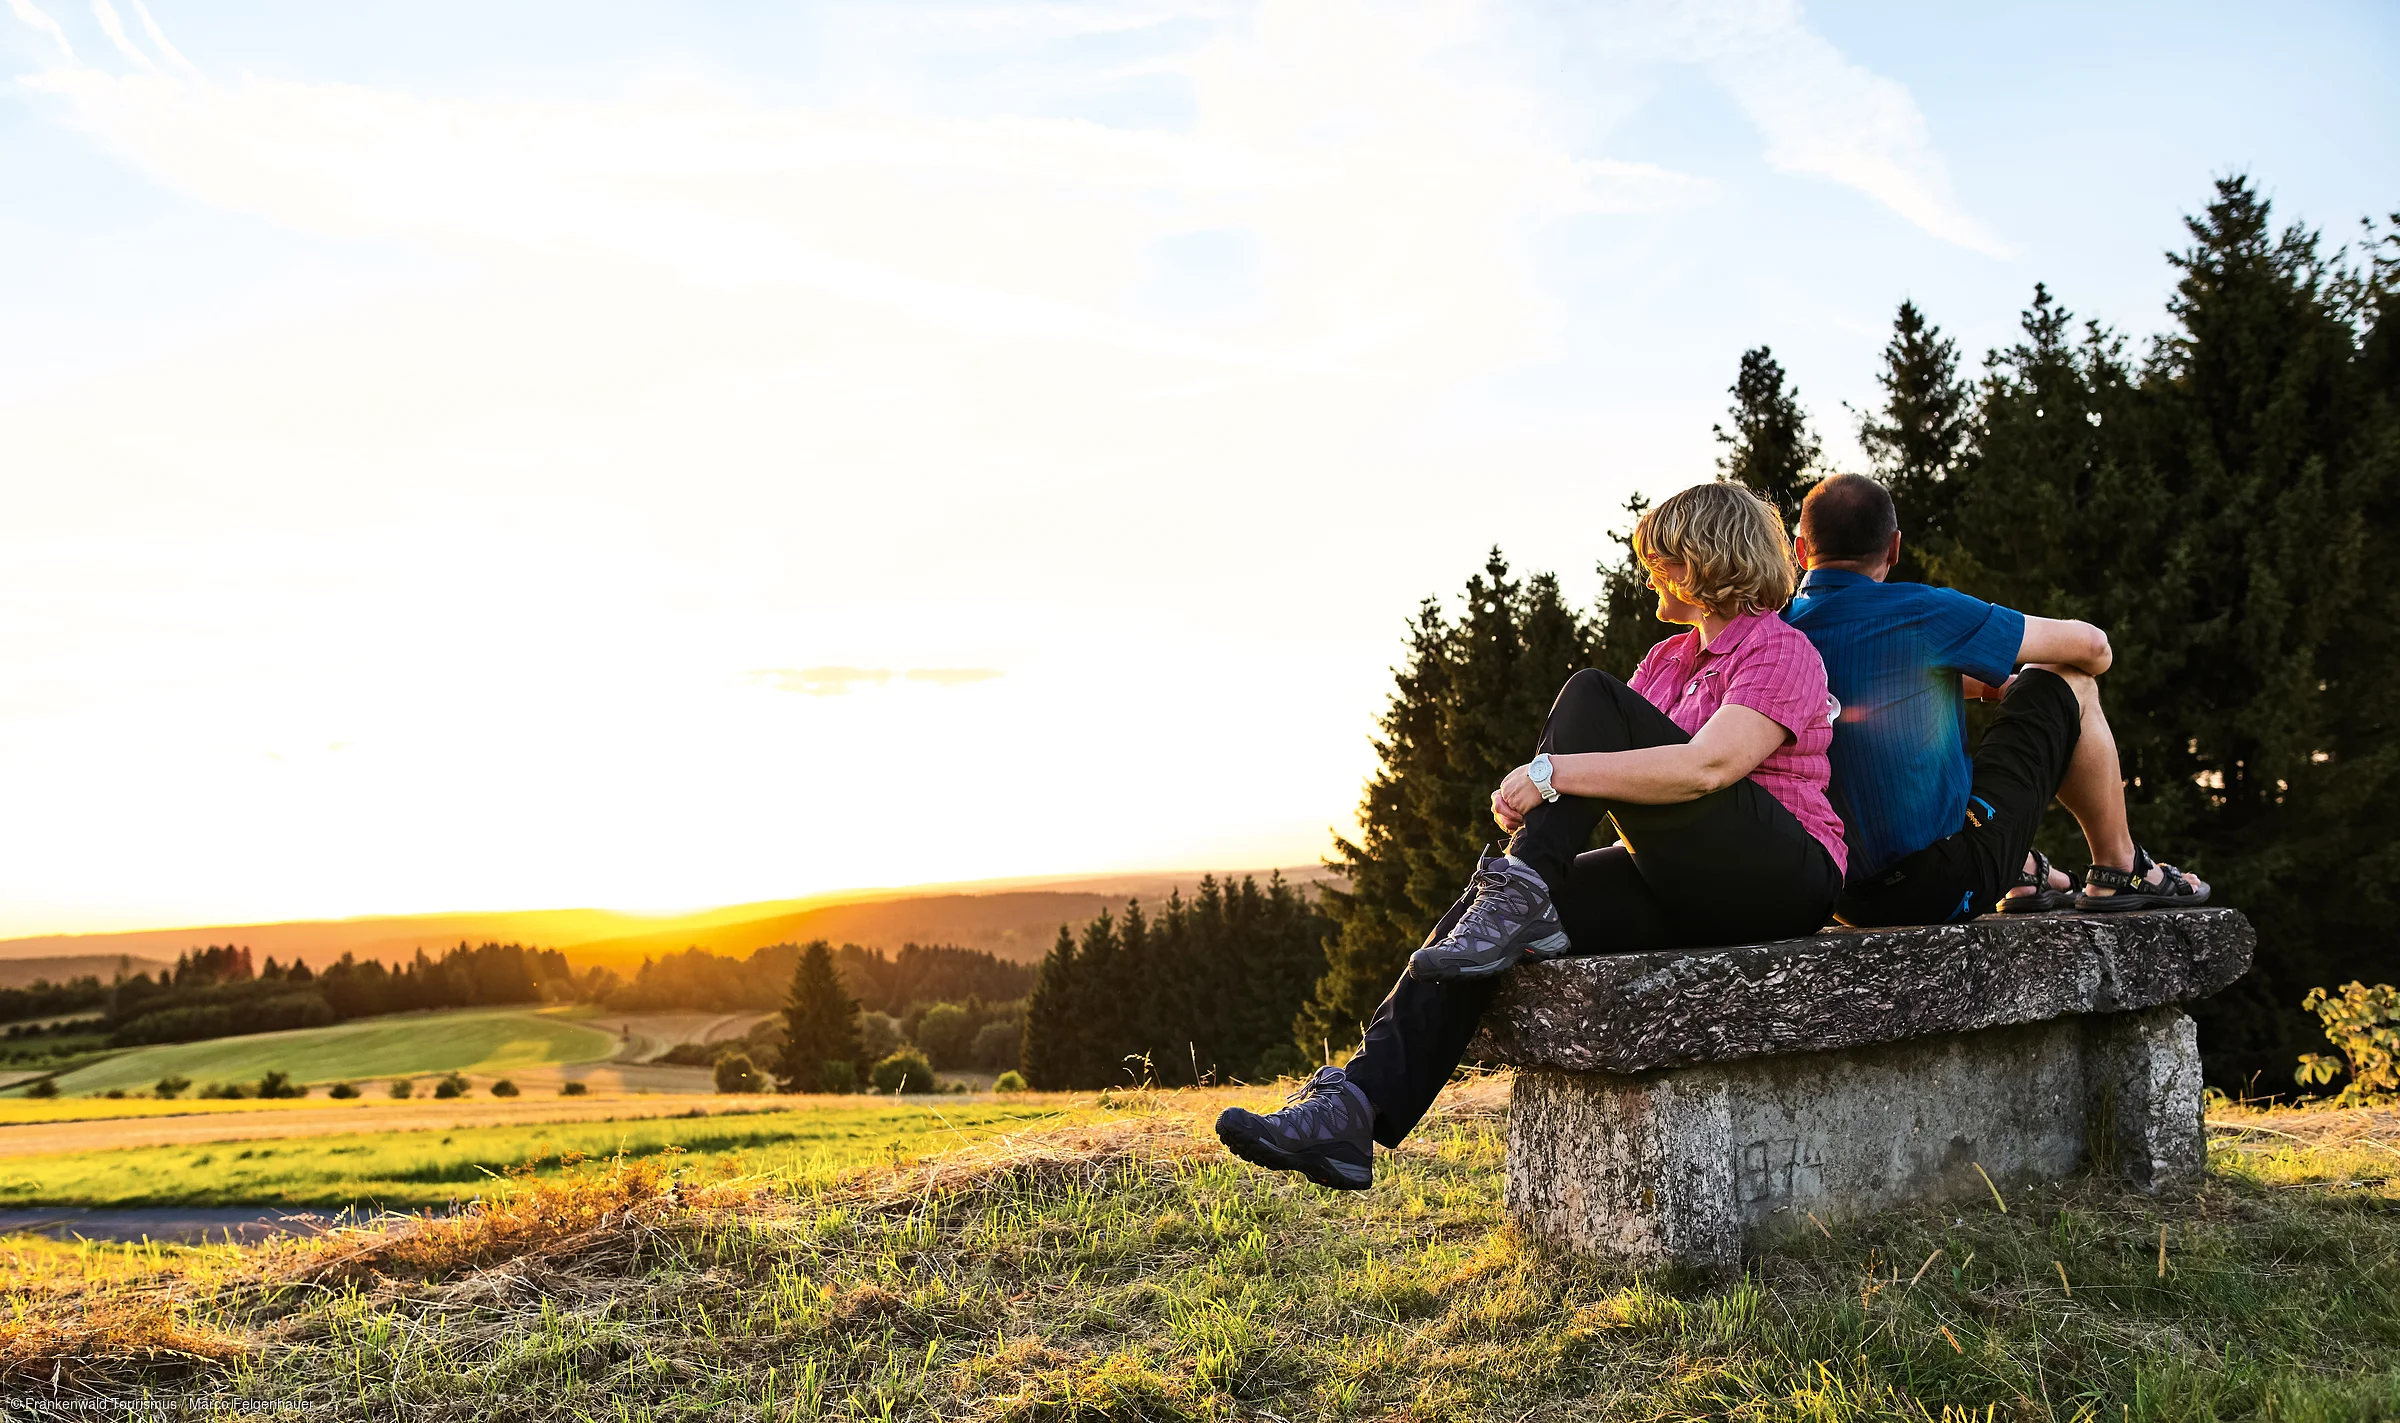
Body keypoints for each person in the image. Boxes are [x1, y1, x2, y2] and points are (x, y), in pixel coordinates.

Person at [1215, 482, 1846, 1192]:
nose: (1649, 573)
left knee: (1589, 700)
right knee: (1483, 919)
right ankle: (1353, 1108)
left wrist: (1549, 774)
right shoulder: (1668, 661)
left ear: (1703, 561)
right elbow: (1620, 775)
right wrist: (1547, 798)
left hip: (1779, 878)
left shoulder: (1780, 649)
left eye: (1661, 559)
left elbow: (1707, 768)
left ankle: (1520, 891)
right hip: (1684, 881)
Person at [1783, 473, 2208, 928]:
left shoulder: (1778, 631)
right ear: (1894, 547)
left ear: (1801, 550)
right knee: (2065, 676)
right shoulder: (1922, 610)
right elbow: (2094, 648)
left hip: (1840, 895)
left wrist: (1991, 684)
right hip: (1941, 887)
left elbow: (1867, 685)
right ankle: (2120, 867)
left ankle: (2023, 870)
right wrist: (2030, 684)